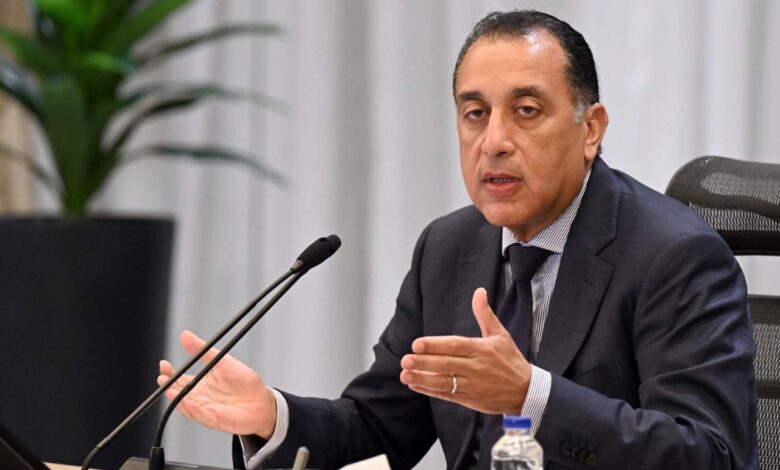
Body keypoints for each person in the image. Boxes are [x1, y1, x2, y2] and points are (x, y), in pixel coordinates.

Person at [158, 10, 758, 469]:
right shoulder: (449, 248)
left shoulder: (673, 256)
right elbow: (380, 424)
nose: (493, 141)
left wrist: (532, 396)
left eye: (526, 110)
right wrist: (273, 416)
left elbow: (711, 455)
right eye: (475, 114)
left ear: (591, 129)